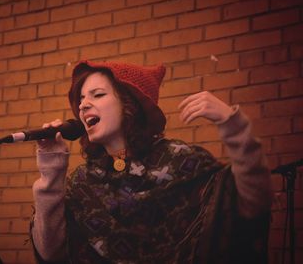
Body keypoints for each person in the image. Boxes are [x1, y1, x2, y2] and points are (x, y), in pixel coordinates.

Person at [30, 60, 272, 264]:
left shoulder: (181, 160)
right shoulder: (83, 181)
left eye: (98, 94)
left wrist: (232, 124)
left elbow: (253, 204)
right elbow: (51, 253)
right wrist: (52, 170)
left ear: (129, 104)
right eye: (81, 99)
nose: (83, 105)